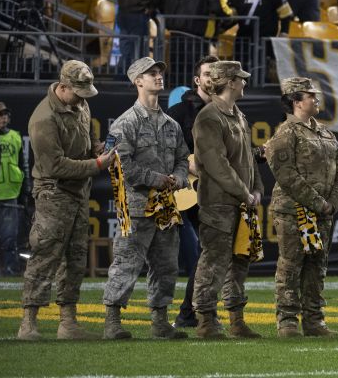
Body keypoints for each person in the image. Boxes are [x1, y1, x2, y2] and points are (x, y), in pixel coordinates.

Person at [17, 61, 117, 340]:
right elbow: (55, 166)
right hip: (54, 191)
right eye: (78, 93)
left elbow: (88, 141)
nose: (83, 99)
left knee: (75, 258)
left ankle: (68, 322)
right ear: (62, 87)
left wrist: (97, 148)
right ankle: (28, 323)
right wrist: (97, 164)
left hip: (78, 192)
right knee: (45, 254)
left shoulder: (81, 105)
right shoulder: (43, 118)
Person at [101, 58, 191, 340]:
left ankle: (160, 321)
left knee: (166, 265)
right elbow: (120, 166)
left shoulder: (171, 124)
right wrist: (157, 179)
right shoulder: (125, 123)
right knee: (127, 263)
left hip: (166, 206)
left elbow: (182, 159)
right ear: (137, 81)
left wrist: (178, 177)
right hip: (137, 206)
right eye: (151, 73)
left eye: (160, 72)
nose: (158, 76)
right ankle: (112, 322)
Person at [267, 77, 338, 338]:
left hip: (322, 212)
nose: (316, 99)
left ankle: (314, 321)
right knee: (291, 265)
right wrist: (318, 202)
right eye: (310, 95)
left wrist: (334, 202)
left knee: (317, 266)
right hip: (293, 211)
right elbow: (286, 175)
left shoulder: (325, 132)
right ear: (295, 102)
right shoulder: (286, 133)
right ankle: (287, 321)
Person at [191, 60, 264, 339]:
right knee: (214, 261)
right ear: (230, 82)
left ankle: (236, 320)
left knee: (239, 261)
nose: (245, 83)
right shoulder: (209, 117)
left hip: (242, 202)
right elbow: (215, 164)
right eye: (241, 79)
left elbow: (249, 158)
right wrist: (244, 192)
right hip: (219, 202)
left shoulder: (238, 114)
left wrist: (256, 188)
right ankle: (206, 320)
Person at [167, 55, 218, 329]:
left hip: (209, 194)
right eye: (207, 73)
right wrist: (185, 162)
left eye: (216, 73)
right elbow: (163, 150)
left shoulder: (226, 112)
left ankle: (190, 313)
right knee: (169, 257)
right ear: (197, 79)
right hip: (181, 194)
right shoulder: (178, 113)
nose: (212, 78)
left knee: (208, 254)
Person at [0, 101, 26, 276]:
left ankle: (11, 270)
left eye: (6, 114)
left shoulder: (16, 137)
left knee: (10, 238)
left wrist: (25, 192)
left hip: (11, 194)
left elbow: (23, 165)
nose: (4, 118)